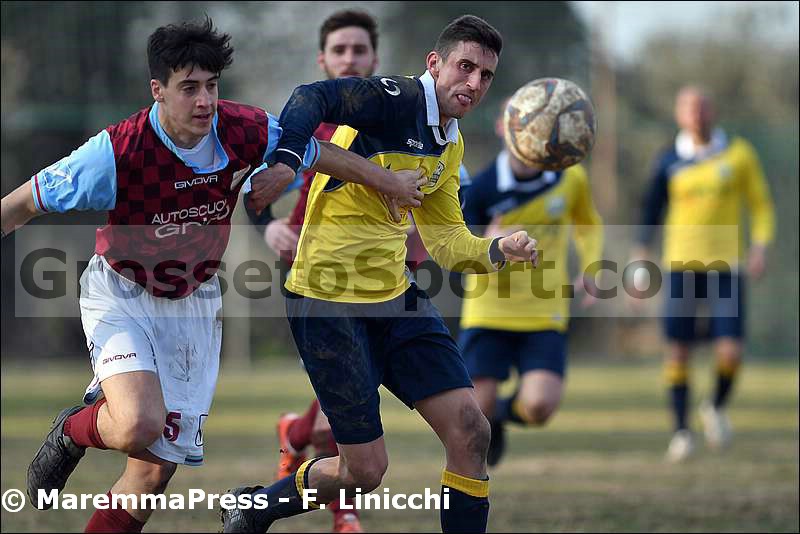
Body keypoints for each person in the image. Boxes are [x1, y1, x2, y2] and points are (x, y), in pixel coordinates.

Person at [0, 17, 423, 533]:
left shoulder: (243, 129)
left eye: (212, 86)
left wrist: (389, 184)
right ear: (157, 90)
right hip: (122, 291)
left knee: (152, 473)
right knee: (137, 425)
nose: (204, 101)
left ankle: (88, 438)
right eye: (189, 88)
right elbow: (20, 205)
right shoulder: (116, 152)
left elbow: (323, 154)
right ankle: (72, 430)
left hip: (194, 302)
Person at [221, 14, 540, 534]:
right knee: (363, 471)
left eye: (486, 75)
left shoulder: (450, 143)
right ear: (434, 64)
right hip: (325, 301)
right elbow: (310, 97)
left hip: (395, 298)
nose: (474, 82)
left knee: (471, 431)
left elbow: (448, 244)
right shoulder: (394, 99)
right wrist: (285, 161)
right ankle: (258, 506)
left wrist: (499, 249)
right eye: (465, 67)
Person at [246, 9, 383, 533]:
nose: (350, 59)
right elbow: (255, 191)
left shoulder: (397, 122)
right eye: (339, 50)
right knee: (343, 406)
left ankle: (294, 433)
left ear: (374, 58)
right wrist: (269, 229)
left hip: (380, 282)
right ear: (322, 61)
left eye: (359, 50)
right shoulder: (305, 130)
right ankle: (343, 511)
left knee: (343, 402)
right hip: (315, 280)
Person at [631, 85, 775, 463]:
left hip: (727, 266)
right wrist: (641, 256)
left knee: (731, 350)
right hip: (680, 266)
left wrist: (760, 246)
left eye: (703, 107)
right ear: (679, 115)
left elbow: (761, 205)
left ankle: (715, 405)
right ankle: (681, 432)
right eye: (689, 108)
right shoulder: (668, 160)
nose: (697, 114)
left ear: (713, 111)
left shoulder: (739, 154)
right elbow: (650, 211)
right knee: (678, 350)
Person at [458, 99, 603, 467]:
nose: (530, 131)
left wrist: (591, 266)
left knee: (539, 407)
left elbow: (588, 224)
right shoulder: (481, 188)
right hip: (489, 309)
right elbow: (459, 253)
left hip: (544, 310)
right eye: (520, 123)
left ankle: (502, 414)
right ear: (501, 128)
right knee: (475, 412)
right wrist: (486, 244)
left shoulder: (570, 177)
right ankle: (488, 421)